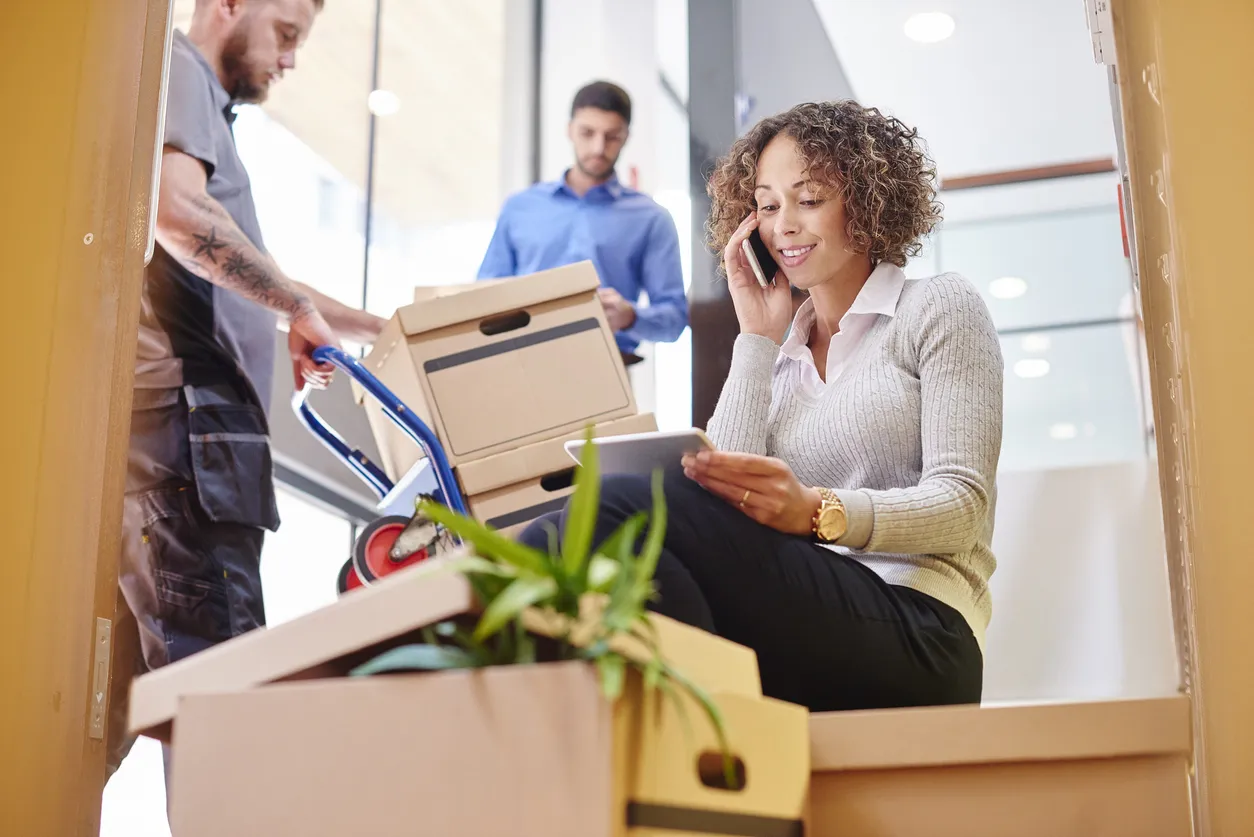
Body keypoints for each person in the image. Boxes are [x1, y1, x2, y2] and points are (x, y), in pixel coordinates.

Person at [520, 101, 1003, 711]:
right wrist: (756, 338)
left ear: (869, 197)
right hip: (811, 620)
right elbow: (722, 495)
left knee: (622, 507)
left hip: (924, 628)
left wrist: (815, 511)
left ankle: (689, 736)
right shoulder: (777, 353)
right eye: (769, 206)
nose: (784, 226)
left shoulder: (937, 307)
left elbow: (963, 505)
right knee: (550, 535)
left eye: (809, 198)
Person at [107, 0, 385, 779]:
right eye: (287, 34)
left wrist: (379, 327)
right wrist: (293, 309)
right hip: (189, 451)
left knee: (113, 716)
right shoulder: (181, 71)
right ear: (227, 5)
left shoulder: (208, 117)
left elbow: (252, 272)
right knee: (223, 720)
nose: (291, 61)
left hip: (190, 454)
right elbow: (176, 214)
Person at [476, 81, 688, 361]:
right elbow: (484, 299)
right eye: (587, 133)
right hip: (520, 363)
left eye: (612, 136)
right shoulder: (519, 208)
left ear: (626, 136)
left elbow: (674, 320)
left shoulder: (651, 218)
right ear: (569, 130)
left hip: (608, 367)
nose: (599, 147)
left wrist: (631, 317)